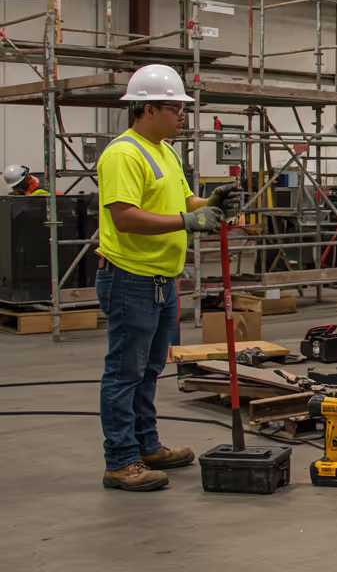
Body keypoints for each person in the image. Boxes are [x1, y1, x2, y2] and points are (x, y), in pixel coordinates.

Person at [96, 64, 241, 491]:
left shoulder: (165, 151)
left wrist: (208, 202)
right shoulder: (124, 154)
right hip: (130, 279)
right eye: (176, 108)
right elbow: (124, 218)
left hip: (162, 279)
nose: (183, 116)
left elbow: (182, 200)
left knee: (150, 369)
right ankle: (120, 461)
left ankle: (145, 445)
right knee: (125, 371)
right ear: (148, 108)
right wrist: (186, 221)